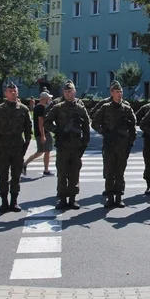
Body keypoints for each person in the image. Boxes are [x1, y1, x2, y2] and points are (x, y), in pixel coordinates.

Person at [44, 82, 91, 210]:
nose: (67, 93)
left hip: (76, 146)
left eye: (69, 91)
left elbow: (86, 126)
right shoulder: (58, 107)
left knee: (74, 173)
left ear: (74, 92)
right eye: (65, 92)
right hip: (62, 145)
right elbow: (46, 122)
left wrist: (84, 143)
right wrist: (57, 130)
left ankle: (73, 199)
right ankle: (63, 198)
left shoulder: (80, 108)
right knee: (62, 172)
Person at [91, 81, 137, 208]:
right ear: (112, 93)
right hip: (109, 145)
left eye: (121, 92)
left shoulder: (127, 109)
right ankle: (110, 197)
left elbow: (133, 127)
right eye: (117, 92)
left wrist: (131, 143)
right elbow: (94, 123)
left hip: (122, 146)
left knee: (120, 171)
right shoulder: (105, 107)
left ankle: (119, 196)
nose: (119, 94)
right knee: (110, 171)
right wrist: (103, 132)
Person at [0, 82, 32, 213]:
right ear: (5, 93)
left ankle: (14, 201)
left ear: (17, 92)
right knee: (3, 177)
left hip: (17, 147)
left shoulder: (23, 109)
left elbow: (28, 130)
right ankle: (4, 202)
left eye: (14, 90)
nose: (13, 92)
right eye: (10, 91)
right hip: (2, 147)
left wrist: (25, 146)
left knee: (16, 176)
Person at [23, 92, 54, 176]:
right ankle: (46, 170)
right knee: (46, 151)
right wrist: (43, 135)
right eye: (48, 98)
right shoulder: (41, 108)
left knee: (40, 152)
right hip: (43, 132)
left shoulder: (38, 107)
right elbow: (41, 122)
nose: (49, 100)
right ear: (44, 99)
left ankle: (25, 164)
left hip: (40, 132)